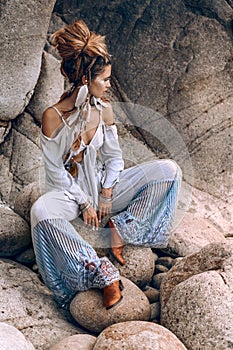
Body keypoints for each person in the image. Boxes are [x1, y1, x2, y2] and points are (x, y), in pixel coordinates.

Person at [31, 19, 182, 310]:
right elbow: (55, 173)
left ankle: (121, 228)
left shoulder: (105, 110)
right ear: (87, 79)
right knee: (40, 210)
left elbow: (114, 159)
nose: (110, 85)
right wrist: (86, 204)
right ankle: (101, 272)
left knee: (168, 170)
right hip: (69, 195)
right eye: (105, 79)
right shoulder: (52, 117)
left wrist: (107, 194)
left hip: (102, 189)